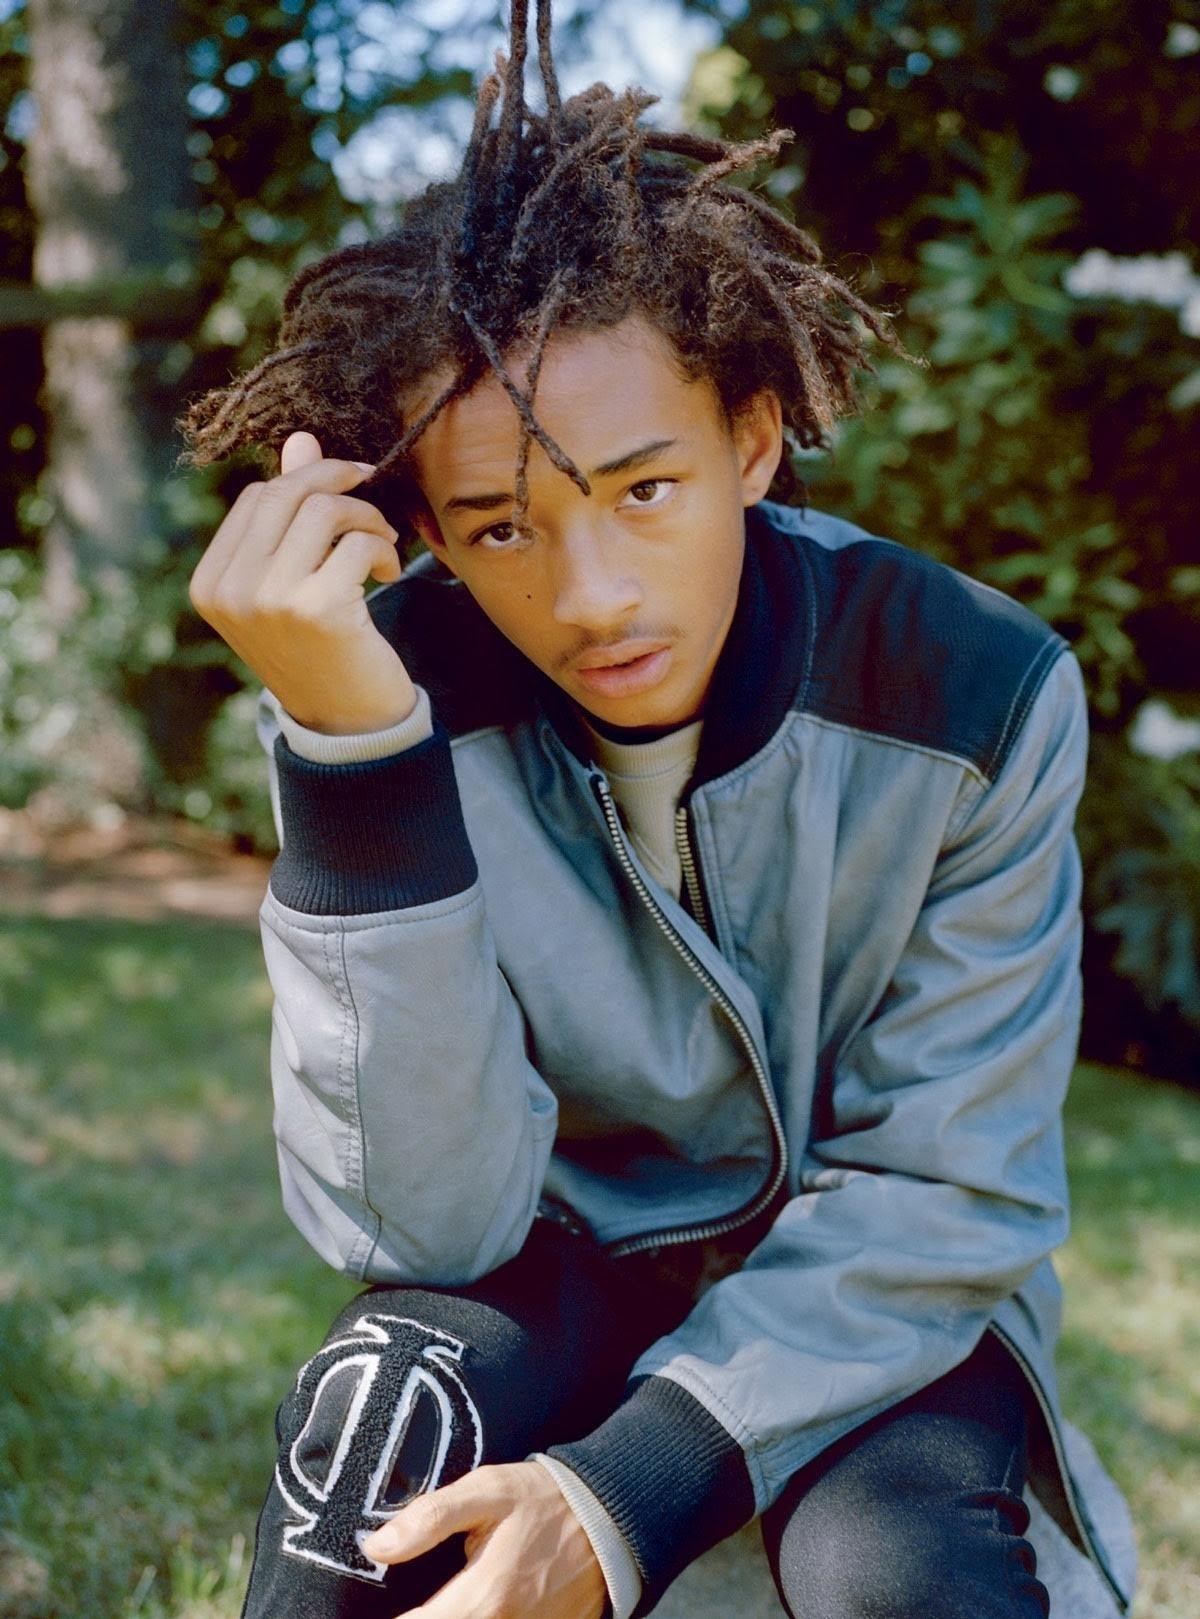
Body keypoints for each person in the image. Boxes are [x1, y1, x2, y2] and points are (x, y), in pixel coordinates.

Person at [179, 3, 1133, 1615]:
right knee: (372, 1428)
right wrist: (353, 761)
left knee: (895, 1568)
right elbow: (424, 1228)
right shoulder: (389, 695)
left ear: (753, 442)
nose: (593, 595)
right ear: (425, 533)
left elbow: (949, 1193)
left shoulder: (974, 693)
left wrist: (624, 1497)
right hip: (549, 1271)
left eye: (644, 489)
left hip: (863, 1306)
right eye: (500, 527)